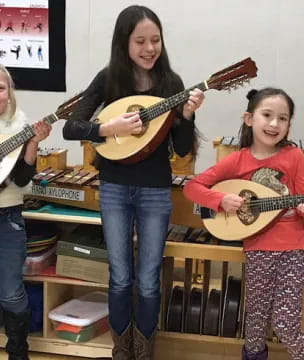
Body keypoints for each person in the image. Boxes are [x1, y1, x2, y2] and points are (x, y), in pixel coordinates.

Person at [62, 5, 204, 360]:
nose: (149, 48)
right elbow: (71, 127)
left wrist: (186, 115)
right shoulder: (108, 79)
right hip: (114, 188)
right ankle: (121, 350)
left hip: (155, 191)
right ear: (123, 43)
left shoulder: (171, 85)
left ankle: (144, 350)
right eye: (140, 40)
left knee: (149, 277)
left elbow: (183, 148)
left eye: (155, 40)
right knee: (121, 275)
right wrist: (110, 129)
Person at [184, 87, 304, 360]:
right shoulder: (237, 160)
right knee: (255, 325)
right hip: (258, 247)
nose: (274, 124)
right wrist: (221, 201)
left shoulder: (294, 156)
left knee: (285, 323)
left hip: (294, 248)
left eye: (283, 118)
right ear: (249, 119)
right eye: (267, 115)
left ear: (289, 125)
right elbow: (193, 188)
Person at [0, 65, 52, 359]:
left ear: (10, 92)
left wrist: (32, 143)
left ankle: (18, 351)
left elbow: (20, 179)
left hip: (8, 218)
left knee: (10, 291)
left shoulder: (20, 126)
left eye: (1, 87)